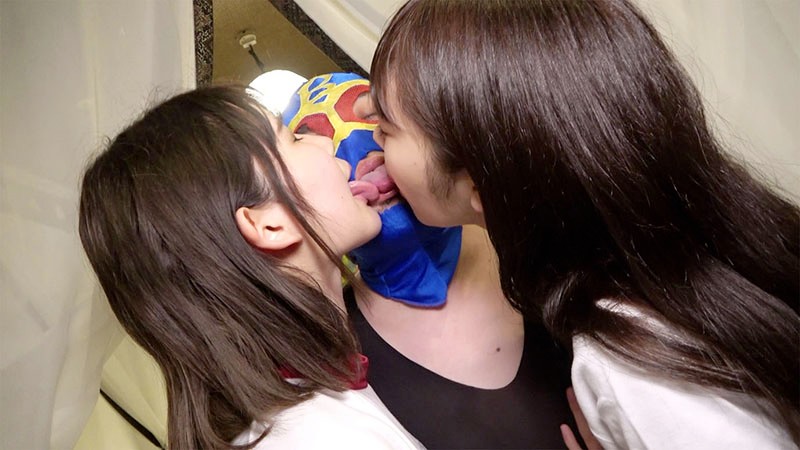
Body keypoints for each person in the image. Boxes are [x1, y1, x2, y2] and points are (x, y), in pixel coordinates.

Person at [365, 0, 800, 448]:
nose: (371, 133)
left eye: (388, 128)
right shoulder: (715, 236)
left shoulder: (634, 371)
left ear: (480, 185)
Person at [77, 86, 423, 449]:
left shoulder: (305, 420)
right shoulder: (325, 438)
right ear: (270, 225)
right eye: (292, 139)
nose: (324, 142)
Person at [283, 73, 577, 448]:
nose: (353, 152)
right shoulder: (338, 361)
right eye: (310, 143)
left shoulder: (530, 231)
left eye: (376, 120)